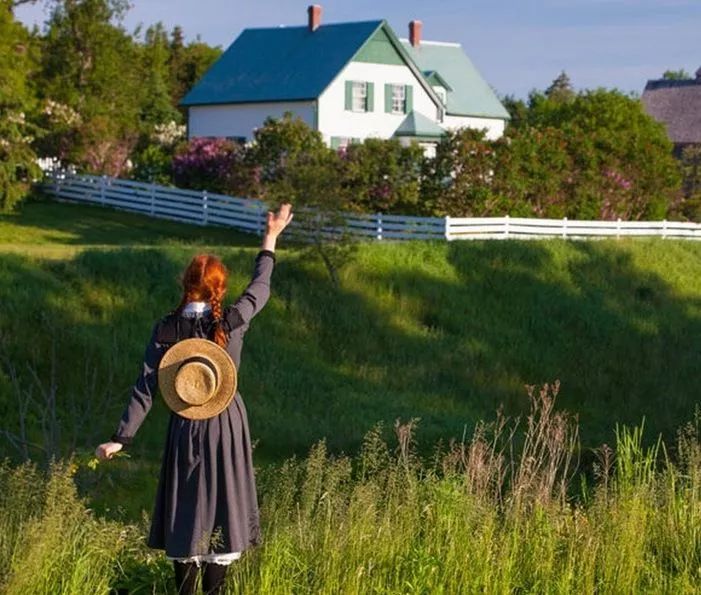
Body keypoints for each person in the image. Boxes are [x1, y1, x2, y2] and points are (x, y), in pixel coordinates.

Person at [96, 203, 294, 594]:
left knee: (188, 513)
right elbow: (261, 287)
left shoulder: (166, 327)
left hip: (185, 424)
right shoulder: (231, 320)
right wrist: (270, 237)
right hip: (226, 423)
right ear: (219, 288)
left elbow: (145, 384)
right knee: (221, 511)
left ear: (185, 284)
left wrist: (121, 437)